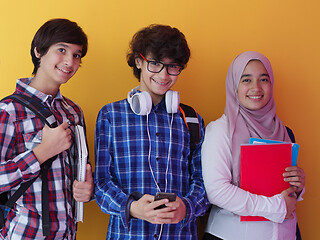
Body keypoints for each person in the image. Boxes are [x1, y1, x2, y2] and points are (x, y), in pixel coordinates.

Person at [94, 24, 209, 239]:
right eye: (155, 64)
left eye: (172, 66)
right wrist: (131, 207)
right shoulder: (111, 115)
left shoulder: (191, 119)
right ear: (138, 61)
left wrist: (188, 206)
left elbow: (204, 182)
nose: (164, 75)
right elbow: (101, 183)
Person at [0, 18, 94, 239]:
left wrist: (87, 189)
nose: (69, 61)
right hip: (24, 234)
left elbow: (81, 170)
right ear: (39, 51)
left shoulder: (73, 112)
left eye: (76, 55)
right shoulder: (9, 110)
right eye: (61, 50)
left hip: (68, 234)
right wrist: (42, 153)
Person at [201, 51, 305, 240]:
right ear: (234, 85)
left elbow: (283, 189)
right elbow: (217, 192)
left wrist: (297, 184)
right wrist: (277, 207)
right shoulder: (220, 130)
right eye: (246, 80)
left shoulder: (284, 132)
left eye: (263, 79)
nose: (256, 87)